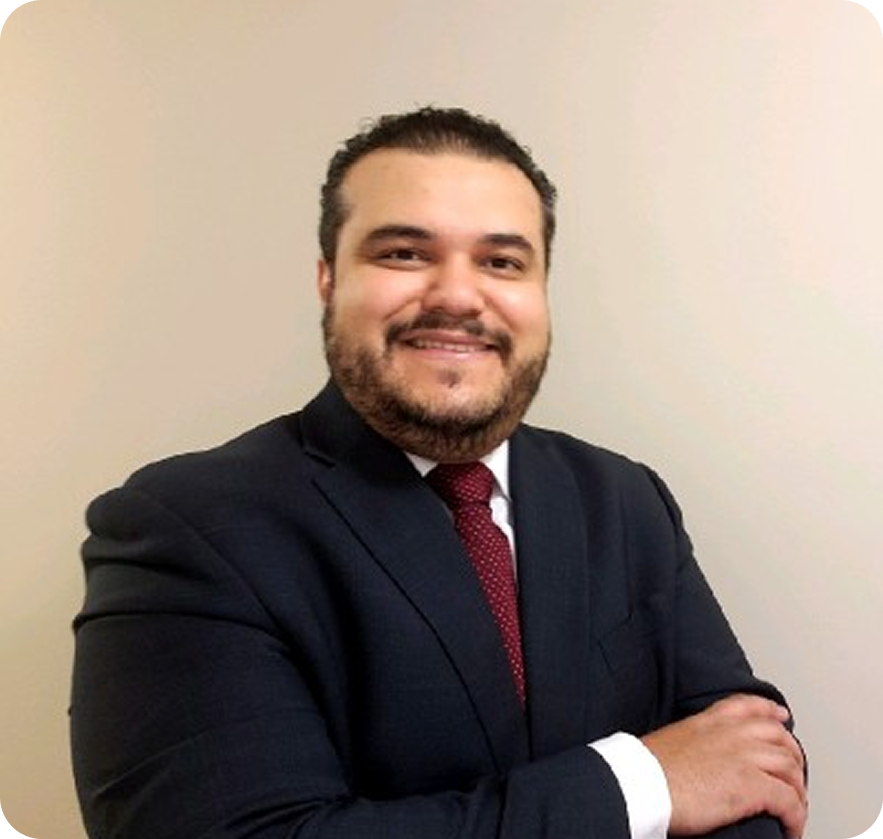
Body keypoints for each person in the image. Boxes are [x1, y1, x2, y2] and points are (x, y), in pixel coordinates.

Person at [70, 106, 807, 839]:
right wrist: (639, 783)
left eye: (502, 261)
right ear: (328, 280)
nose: (457, 296)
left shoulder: (623, 497)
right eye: (403, 253)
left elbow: (752, 768)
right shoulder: (185, 529)